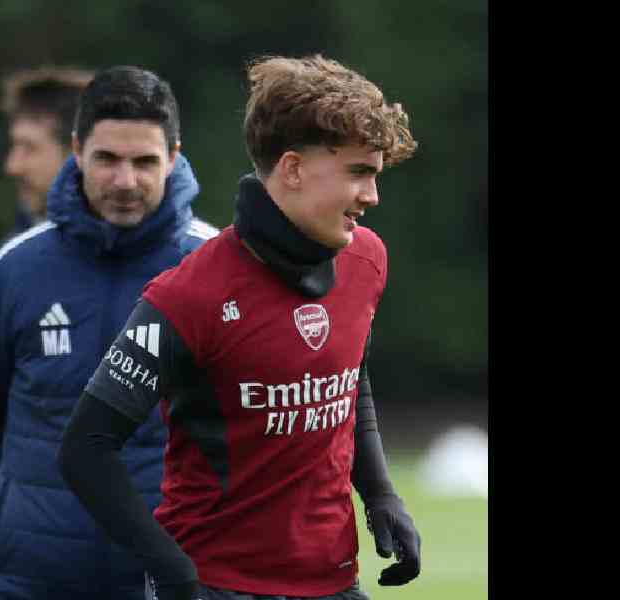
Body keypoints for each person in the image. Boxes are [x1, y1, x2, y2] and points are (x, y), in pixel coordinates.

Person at [60, 54, 422, 600]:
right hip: (216, 585)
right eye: (358, 172)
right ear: (293, 169)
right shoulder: (188, 295)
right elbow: (85, 447)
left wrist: (380, 495)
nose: (372, 195)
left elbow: (348, 377)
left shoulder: (366, 261)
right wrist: (171, 568)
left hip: (332, 581)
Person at [0, 65, 218, 599]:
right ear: (76, 150)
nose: (125, 181)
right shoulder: (14, 269)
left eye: (144, 161)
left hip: (175, 584)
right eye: (107, 159)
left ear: (173, 156)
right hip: (36, 583)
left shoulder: (217, 268)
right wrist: (30, 499)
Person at [0, 65, 95, 505]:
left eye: (29, 148)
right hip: (32, 524)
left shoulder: (161, 259)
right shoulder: (11, 260)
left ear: (76, 151)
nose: (12, 165)